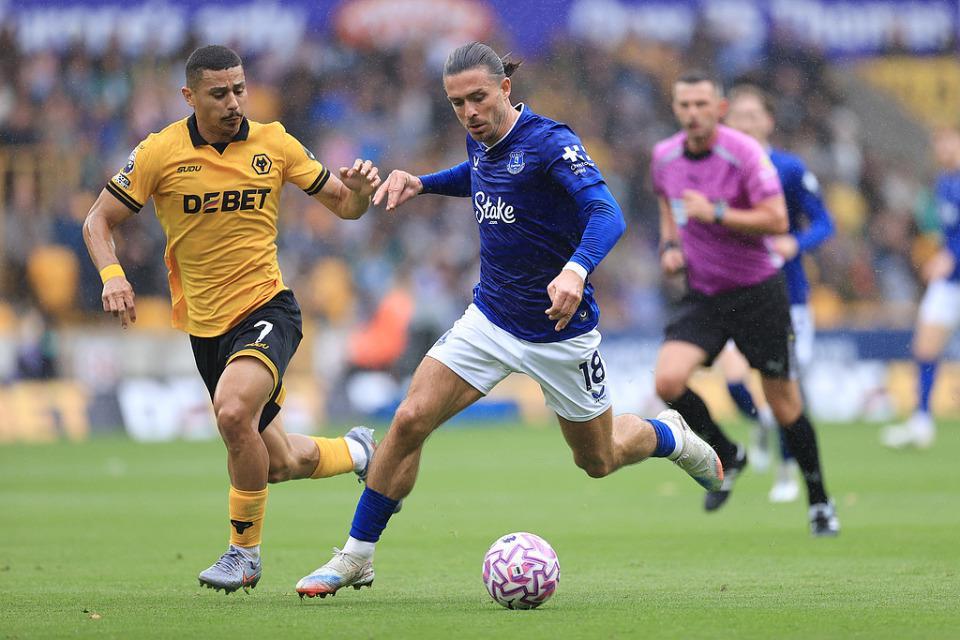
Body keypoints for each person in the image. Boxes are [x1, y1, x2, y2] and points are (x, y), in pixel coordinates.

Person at [294, 42, 724, 598]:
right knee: (410, 419)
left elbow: (607, 212)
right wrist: (423, 182)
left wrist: (575, 269)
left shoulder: (551, 143)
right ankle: (357, 556)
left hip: (559, 329)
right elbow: (479, 174)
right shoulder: (480, 140)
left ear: (505, 89)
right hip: (490, 319)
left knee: (598, 459)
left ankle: (670, 435)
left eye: (478, 98)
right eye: (457, 103)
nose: (469, 113)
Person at [82, 45, 384, 594]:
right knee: (276, 462)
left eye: (239, 89)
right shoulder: (158, 152)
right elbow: (97, 221)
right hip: (206, 331)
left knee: (231, 411)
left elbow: (345, 205)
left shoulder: (275, 142)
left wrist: (361, 195)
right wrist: (112, 275)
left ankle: (243, 555)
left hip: (268, 309)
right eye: (219, 93)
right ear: (189, 95)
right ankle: (360, 450)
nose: (233, 102)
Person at [650, 70, 839, 536]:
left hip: (758, 293)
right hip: (704, 294)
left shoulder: (746, 154)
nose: (693, 113)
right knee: (668, 380)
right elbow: (668, 203)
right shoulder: (664, 156)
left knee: (784, 403)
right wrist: (670, 246)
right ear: (675, 109)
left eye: (702, 105)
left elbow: (777, 219)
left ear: (719, 109)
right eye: (684, 105)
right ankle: (727, 453)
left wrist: (716, 212)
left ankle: (819, 500)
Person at [719, 84, 836, 503]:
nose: (745, 123)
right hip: (734, 293)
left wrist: (794, 243)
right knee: (733, 380)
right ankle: (762, 421)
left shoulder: (789, 168)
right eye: (738, 116)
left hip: (787, 295)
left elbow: (824, 223)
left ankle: (787, 470)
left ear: (769, 121)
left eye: (753, 115)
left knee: (787, 386)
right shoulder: (719, 169)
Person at [880, 126, 960, 449]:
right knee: (924, 348)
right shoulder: (943, 183)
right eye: (937, 142)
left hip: (953, 270)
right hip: (950, 283)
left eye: (948, 141)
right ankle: (921, 422)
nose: (942, 148)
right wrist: (944, 255)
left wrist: (952, 256)